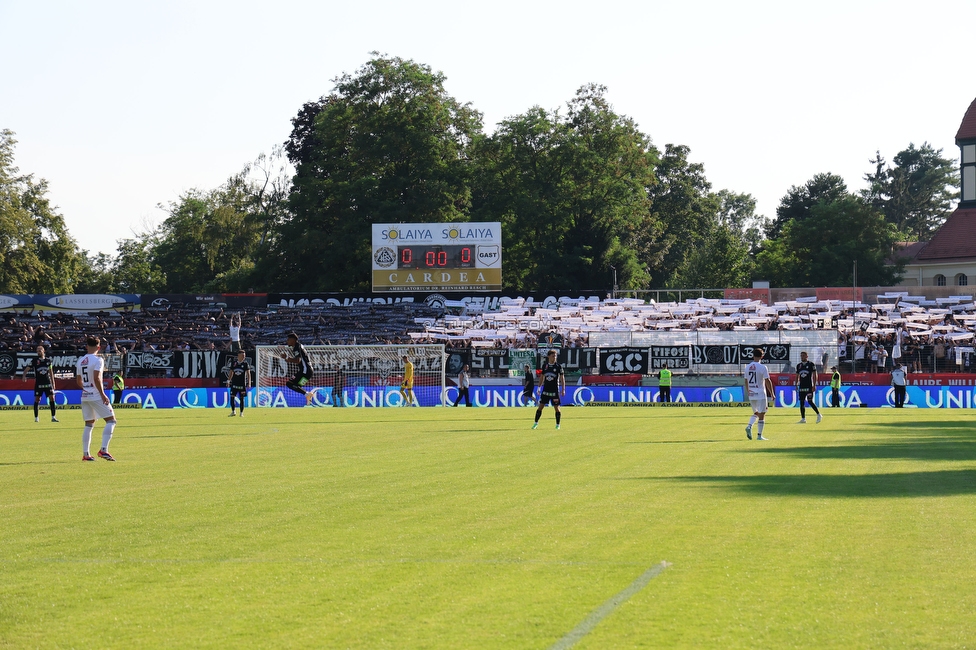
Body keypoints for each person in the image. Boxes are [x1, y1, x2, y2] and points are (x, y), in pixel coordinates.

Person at [75, 336, 117, 461]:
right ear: (99, 347)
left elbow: (78, 381)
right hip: (96, 395)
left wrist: (87, 388)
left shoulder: (81, 360)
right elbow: (97, 378)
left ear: (87, 346)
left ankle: (86, 454)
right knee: (111, 420)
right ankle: (103, 450)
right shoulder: (98, 360)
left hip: (85, 396)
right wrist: (103, 394)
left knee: (89, 424)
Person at [744, 348, 774, 441]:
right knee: (762, 414)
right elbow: (767, 380)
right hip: (760, 393)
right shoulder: (763, 367)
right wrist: (772, 393)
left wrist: (748, 390)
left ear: (753, 355)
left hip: (751, 393)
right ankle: (759, 435)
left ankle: (749, 426)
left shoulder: (747, 367)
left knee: (756, 413)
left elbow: (746, 380)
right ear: (762, 356)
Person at [532, 350, 565, 430]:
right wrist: (539, 387)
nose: (555, 358)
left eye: (555, 356)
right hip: (546, 390)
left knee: (557, 408)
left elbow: (562, 378)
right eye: (553, 356)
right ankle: (535, 423)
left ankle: (558, 424)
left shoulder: (558, 366)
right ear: (549, 356)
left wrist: (563, 389)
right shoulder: (545, 366)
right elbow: (542, 377)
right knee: (540, 407)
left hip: (554, 390)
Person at [24, 345, 58, 423]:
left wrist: (53, 382)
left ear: (43, 351)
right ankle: (36, 418)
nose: (38, 352)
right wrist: (24, 376)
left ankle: (53, 417)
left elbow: (51, 372)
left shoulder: (48, 360)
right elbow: (27, 368)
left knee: (52, 398)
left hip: (47, 382)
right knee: (37, 399)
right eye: (37, 351)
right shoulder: (34, 361)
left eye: (40, 350)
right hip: (39, 383)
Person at [281, 332, 314, 405]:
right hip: (309, 372)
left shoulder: (296, 347)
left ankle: (307, 394)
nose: (287, 341)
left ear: (293, 340)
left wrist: (287, 358)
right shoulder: (299, 346)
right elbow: (299, 360)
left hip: (305, 371)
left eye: (288, 339)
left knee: (289, 383)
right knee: (295, 386)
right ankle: (307, 395)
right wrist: (288, 358)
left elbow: (297, 360)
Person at [794, 351, 822, 424]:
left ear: (807, 356)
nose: (802, 357)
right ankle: (803, 419)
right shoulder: (798, 366)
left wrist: (814, 385)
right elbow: (797, 375)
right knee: (802, 402)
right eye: (801, 355)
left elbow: (815, 374)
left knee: (810, 401)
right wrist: (796, 384)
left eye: (803, 355)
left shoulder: (811, 364)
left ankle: (819, 414)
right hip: (802, 386)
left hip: (809, 386)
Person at [227, 349, 251, 417]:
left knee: (242, 399)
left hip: (242, 384)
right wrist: (228, 381)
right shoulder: (234, 363)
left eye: (244, 355)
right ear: (238, 355)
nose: (244, 357)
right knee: (232, 397)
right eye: (242, 355)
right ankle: (233, 411)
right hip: (234, 383)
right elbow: (231, 372)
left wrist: (249, 383)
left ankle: (241, 413)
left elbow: (248, 374)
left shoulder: (245, 364)